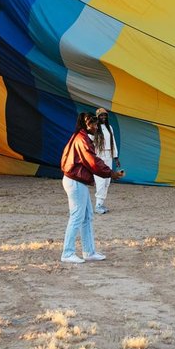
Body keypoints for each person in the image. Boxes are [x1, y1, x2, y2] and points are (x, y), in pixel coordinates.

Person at [59, 112, 124, 263]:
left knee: (87, 216)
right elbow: (93, 161)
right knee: (76, 216)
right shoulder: (82, 140)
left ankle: (89, 252)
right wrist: (111, 173)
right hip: (74, 181)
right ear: (86, 125)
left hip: (77, 181)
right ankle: (67, 253)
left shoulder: (81, 137)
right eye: (93, 125)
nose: (96, 127)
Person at [92, 107, 120, 214]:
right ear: (97, 117)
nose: (103, 117)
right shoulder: (94, 128)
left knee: (107, 181)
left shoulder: (110, 128)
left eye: (105, 115)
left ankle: (101, 203)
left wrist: (116, 157)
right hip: (99, 156)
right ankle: (98, 205)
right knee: (100, 181)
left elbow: (113, 142)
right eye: (101, 115)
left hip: (108, 155)